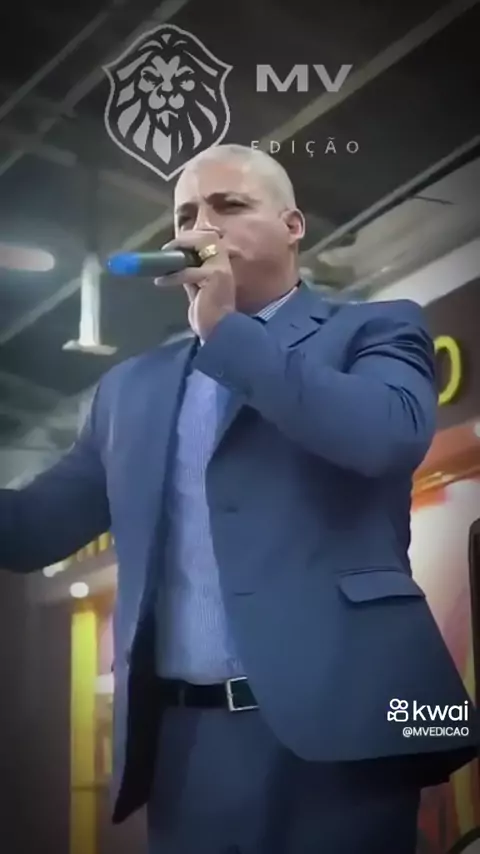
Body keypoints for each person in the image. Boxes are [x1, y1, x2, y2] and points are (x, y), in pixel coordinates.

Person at [0, 143, 478, 854]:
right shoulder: (129, 390)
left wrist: (226, 332)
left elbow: (385, 437)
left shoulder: (375, 329)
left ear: (293, 226)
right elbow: (33, 530)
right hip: (186, 747)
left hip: (344, 729)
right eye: (185, 216)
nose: (202, 228)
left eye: (230, 205)